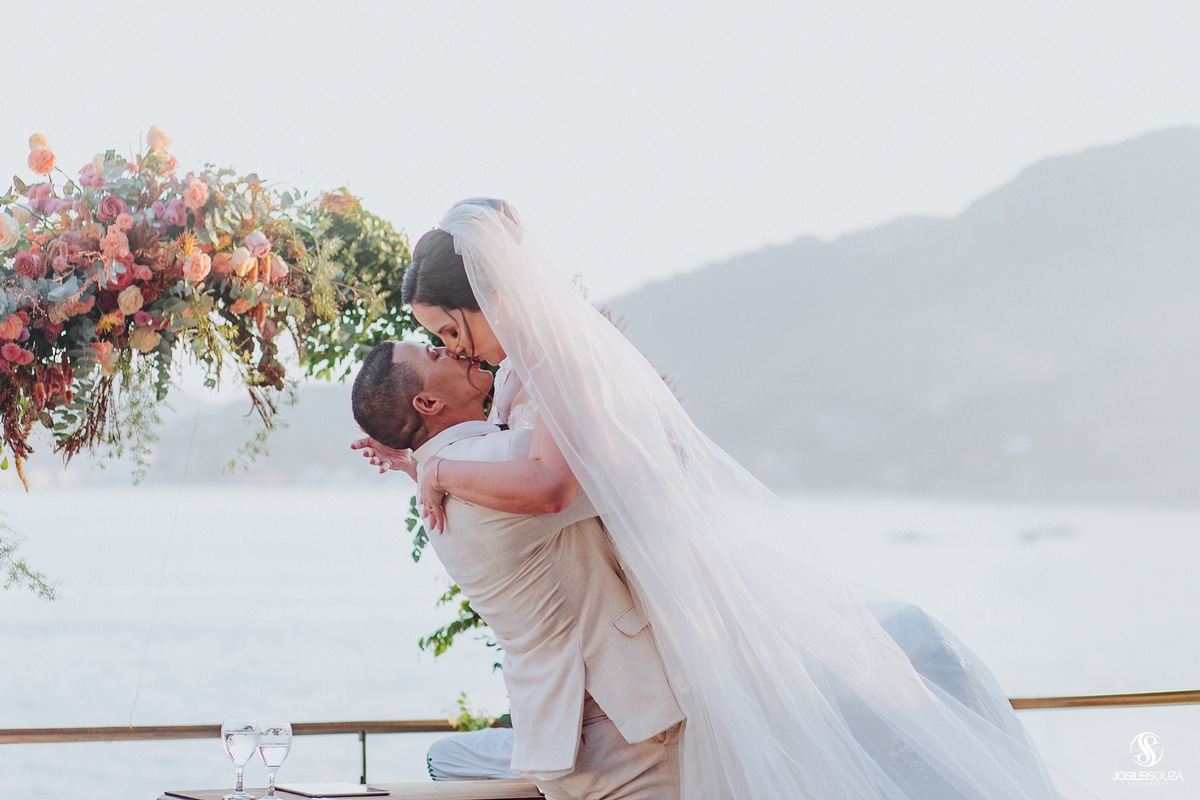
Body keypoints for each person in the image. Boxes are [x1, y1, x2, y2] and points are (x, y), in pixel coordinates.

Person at [357, 199, 1065, 799]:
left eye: (451, 330)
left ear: (492, 295)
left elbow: (549, 486)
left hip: (645, 702)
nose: (456, 350)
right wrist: (424, 456)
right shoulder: (525, 381)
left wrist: (435, 468)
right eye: (439, 342)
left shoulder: (554, 370)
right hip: (619, 707)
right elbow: (525, 480)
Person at [352, 340, 685, 799]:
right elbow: (649, 471)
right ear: (427, 403)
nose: (450, 349)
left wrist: (421, 467)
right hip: (624, 730)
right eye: (433, 354)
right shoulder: (501, 461)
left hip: (556, 736)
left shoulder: (435, 480)